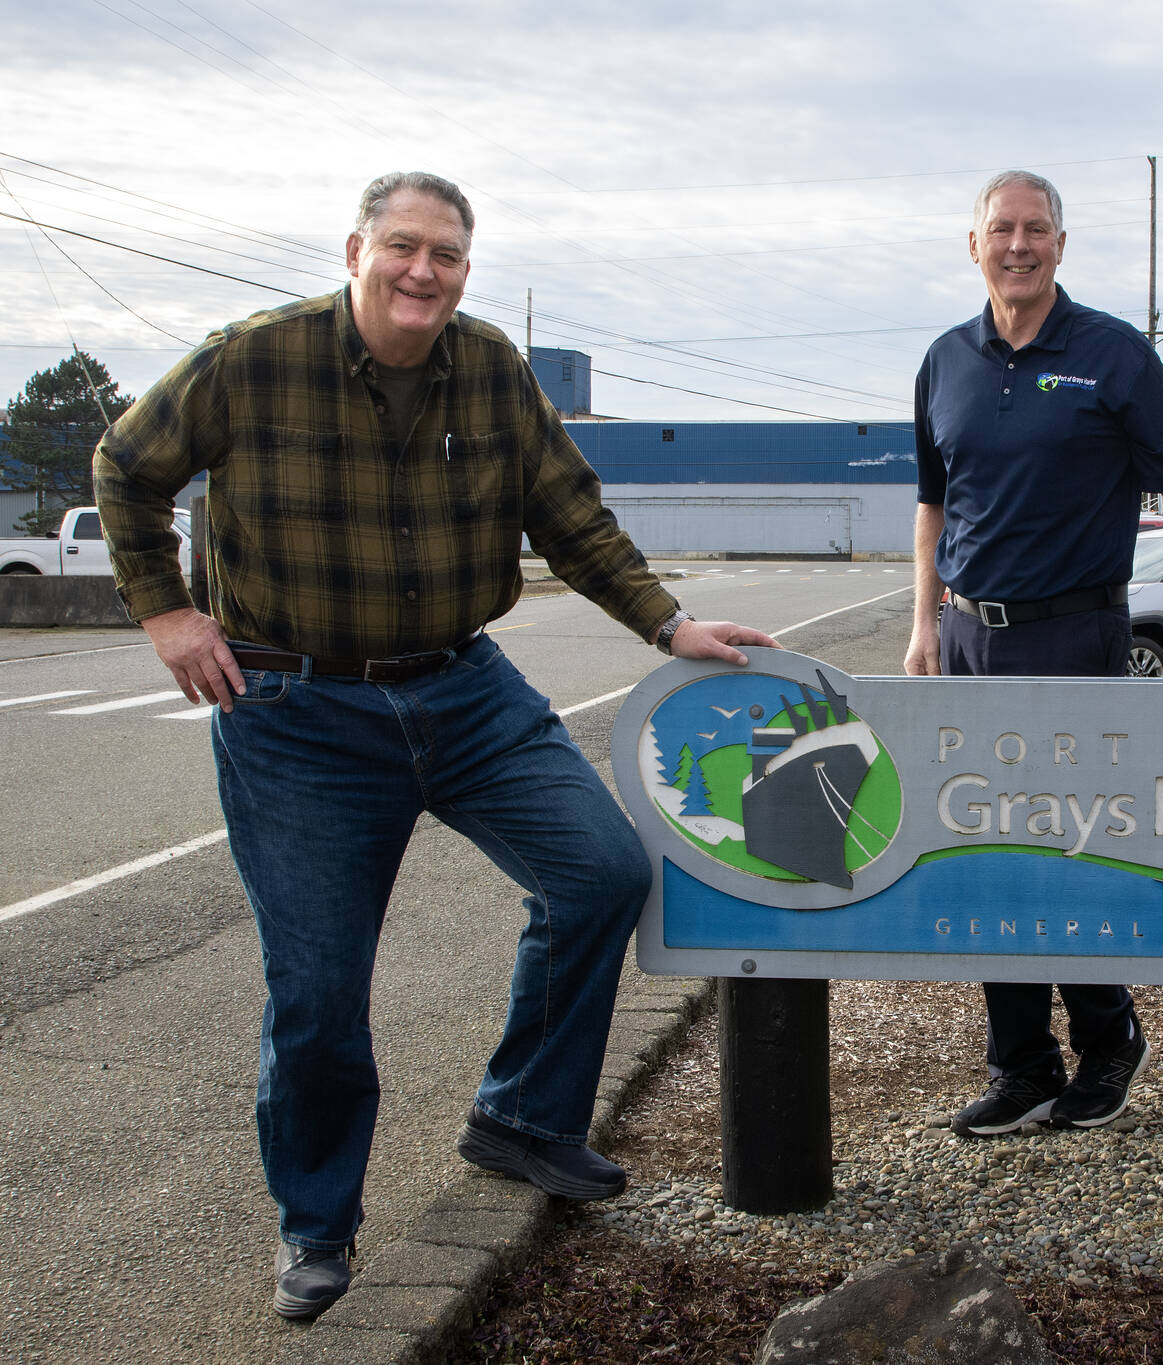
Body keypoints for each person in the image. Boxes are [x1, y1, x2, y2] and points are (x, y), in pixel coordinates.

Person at [92, 171, 777, 1321]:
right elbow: (126, 468)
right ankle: (316, 1227)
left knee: (600, 874)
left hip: (463, 690)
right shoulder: (250, 359)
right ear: (356, 248)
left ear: (466, 267)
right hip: (297, 713)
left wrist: (667, 623)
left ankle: (520, 1117)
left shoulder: (492, 368)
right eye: (403, 248)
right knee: (317, 989)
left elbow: (570, 514)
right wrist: (166, 612)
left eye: (446, 256)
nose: (424, 272)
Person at [906, 170, 1163, 1139]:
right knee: (982, 856)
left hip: (1071, 635)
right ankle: (1019, 1068)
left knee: (1062, 848)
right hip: (966, 636)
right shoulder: (941, 361)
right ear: (970, 244)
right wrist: (924, 622)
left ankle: (1108, 1039)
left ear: (1059, 244)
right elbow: (931, 504)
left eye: (1035, 230)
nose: (1017, 244)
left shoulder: (1111, 355)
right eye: (999, 229)